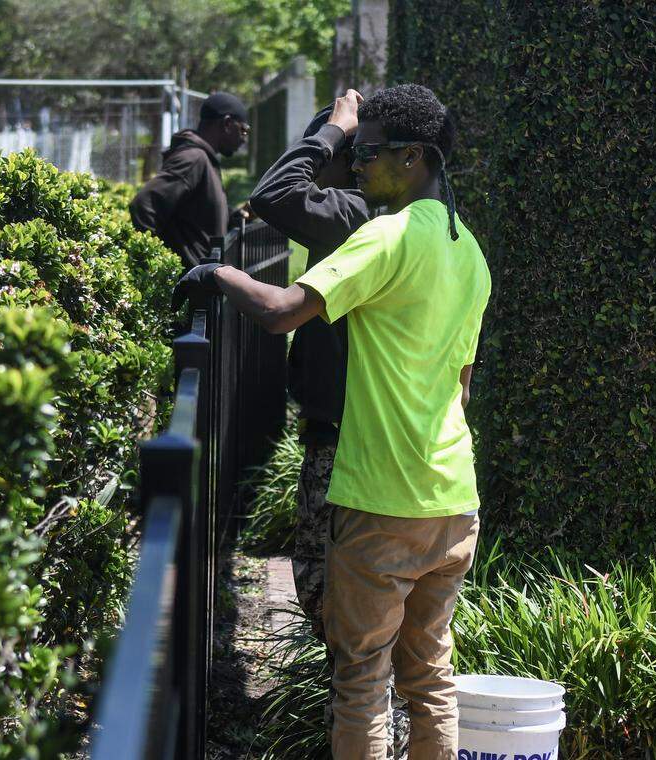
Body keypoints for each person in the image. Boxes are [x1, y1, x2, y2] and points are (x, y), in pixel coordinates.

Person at [174, 83, 490, 759]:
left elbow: (284, 308)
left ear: (412, 159)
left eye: (367, 150)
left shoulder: (387, 236)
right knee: (430, 678)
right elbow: (460, 388)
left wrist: (217, 275)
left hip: (382, 500)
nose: (357, 163)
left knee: (362, 683)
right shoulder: (470, 250)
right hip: (453, 500)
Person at [249, 92, 409, 756]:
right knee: (347, 592)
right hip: (359, 434)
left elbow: (275, 193)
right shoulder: (385, 220)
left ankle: (369, 717)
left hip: (343, 437)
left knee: (322, 581)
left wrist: (336, 129)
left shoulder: (351, 216)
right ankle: (367, 710)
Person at [129, 91, 251, 268]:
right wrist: (155, 265)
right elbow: (144, 205)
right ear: (227, 123)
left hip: (200, 284)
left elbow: (196, 216)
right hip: (189, 287)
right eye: (244, 130)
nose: (244, 139)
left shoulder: (204, 159)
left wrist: (235, 215)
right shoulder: (193, 159)